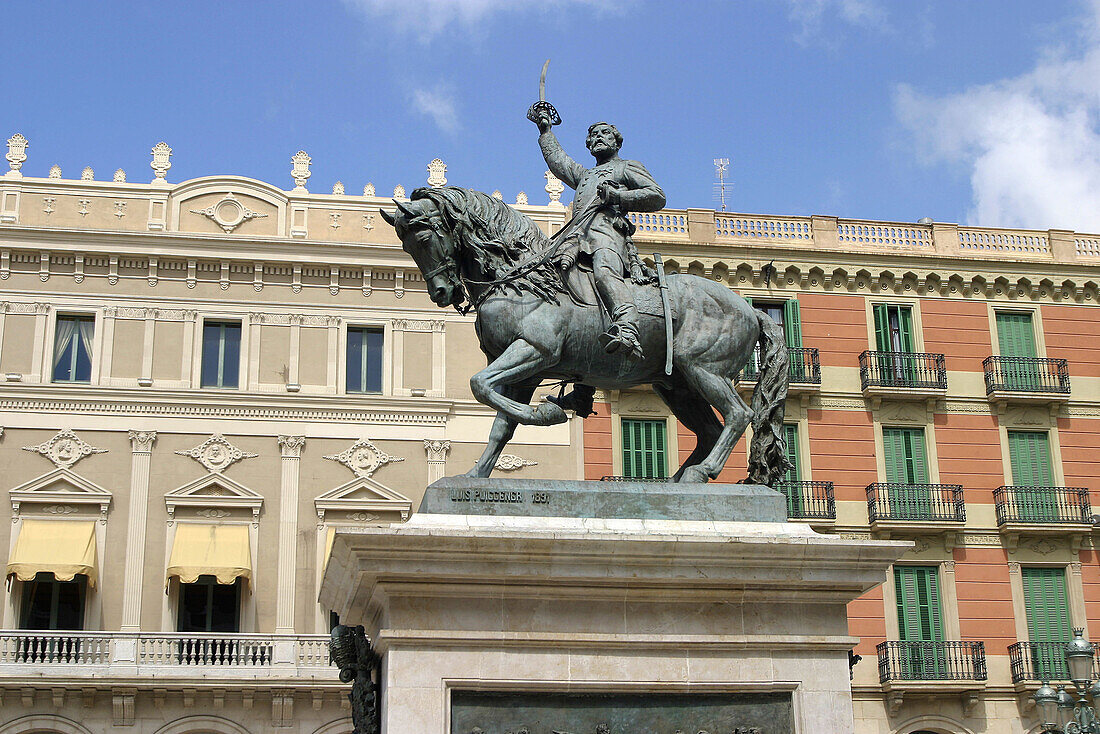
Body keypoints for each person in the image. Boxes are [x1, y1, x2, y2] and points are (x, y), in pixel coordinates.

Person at [531, 113, 666, 360]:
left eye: (604, 133)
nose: (597, 138)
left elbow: (656, 195)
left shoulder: (627, 167)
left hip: (607, 235)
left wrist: (617, 197)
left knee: (604, 273)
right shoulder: (584, 176)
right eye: (593, 136)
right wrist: (545, 132)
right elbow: (559, 162)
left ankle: (628, 329)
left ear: (616, 141)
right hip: (574, 239)